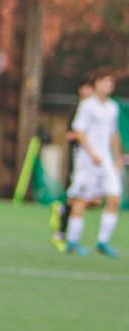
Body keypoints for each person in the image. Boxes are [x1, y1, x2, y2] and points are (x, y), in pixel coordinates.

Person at [65, 69, 123, 258]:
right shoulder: (87, 105)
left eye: (110, 83)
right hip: (87, 160)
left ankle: (103, 242)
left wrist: (118, 158)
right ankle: (72, 241)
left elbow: (114, 134)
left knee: (114, 198)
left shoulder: (113, 107)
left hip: (105, 160)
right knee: (81, 200)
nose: (107, 86)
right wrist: (92, 153)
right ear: (96, 83)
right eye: (104, 82)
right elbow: (80, 132)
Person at [51, 79, 96, 252]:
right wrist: (83, 137)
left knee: (94, 200)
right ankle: (62, 232)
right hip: (79, 159)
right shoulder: (79, 109)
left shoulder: (99, 110)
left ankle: (62, 210)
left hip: (95, 161)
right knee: (76, 197)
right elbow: (70, 134)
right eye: (88, 87)